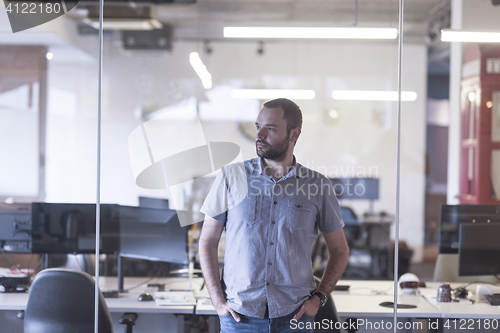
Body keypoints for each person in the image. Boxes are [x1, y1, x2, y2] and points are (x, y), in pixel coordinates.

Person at [198, 98, 349, 333]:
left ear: (294, 134)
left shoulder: (318, 186)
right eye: (258, 126)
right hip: (240, 318)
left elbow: (340, 250)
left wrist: (319, 298)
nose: (259, 135)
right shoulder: (231, 177)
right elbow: (207, 241)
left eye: (270, 128)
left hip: (295, 317)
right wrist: (218, 301)